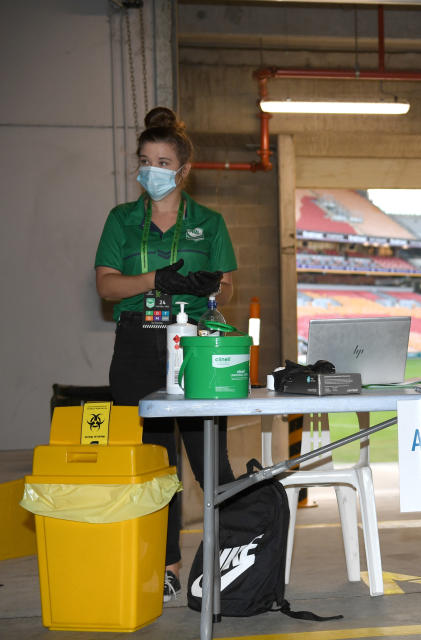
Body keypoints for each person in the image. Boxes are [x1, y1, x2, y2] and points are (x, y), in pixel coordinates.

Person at [94, 107, 238, 603]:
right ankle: (168, 564)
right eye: (144, 160)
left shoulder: (209, 222)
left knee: (207, 458)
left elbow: (229, 287)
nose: (150, 169)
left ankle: (225, 558)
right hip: (137, 344)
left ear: (182, 170)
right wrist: (156, 279)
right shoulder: (121, 219)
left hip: (193, 341)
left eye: (161, 161)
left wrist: (208, 286)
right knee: (157, 464)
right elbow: (108, 288)